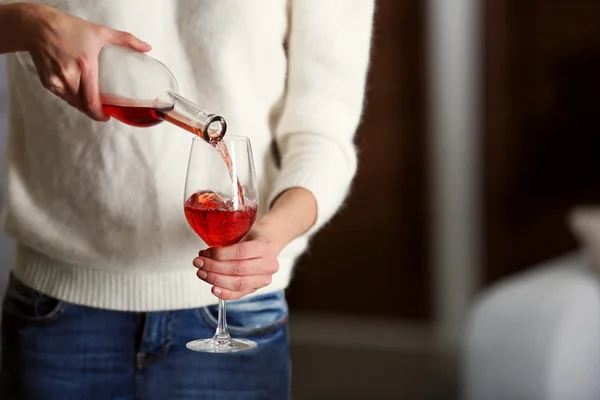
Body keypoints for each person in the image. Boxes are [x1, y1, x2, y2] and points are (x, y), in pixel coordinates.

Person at [0, 0, 374, 398]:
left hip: (239, 311)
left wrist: (271, 235)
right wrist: (29, 22)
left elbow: (322, 133)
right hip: (58, 311)